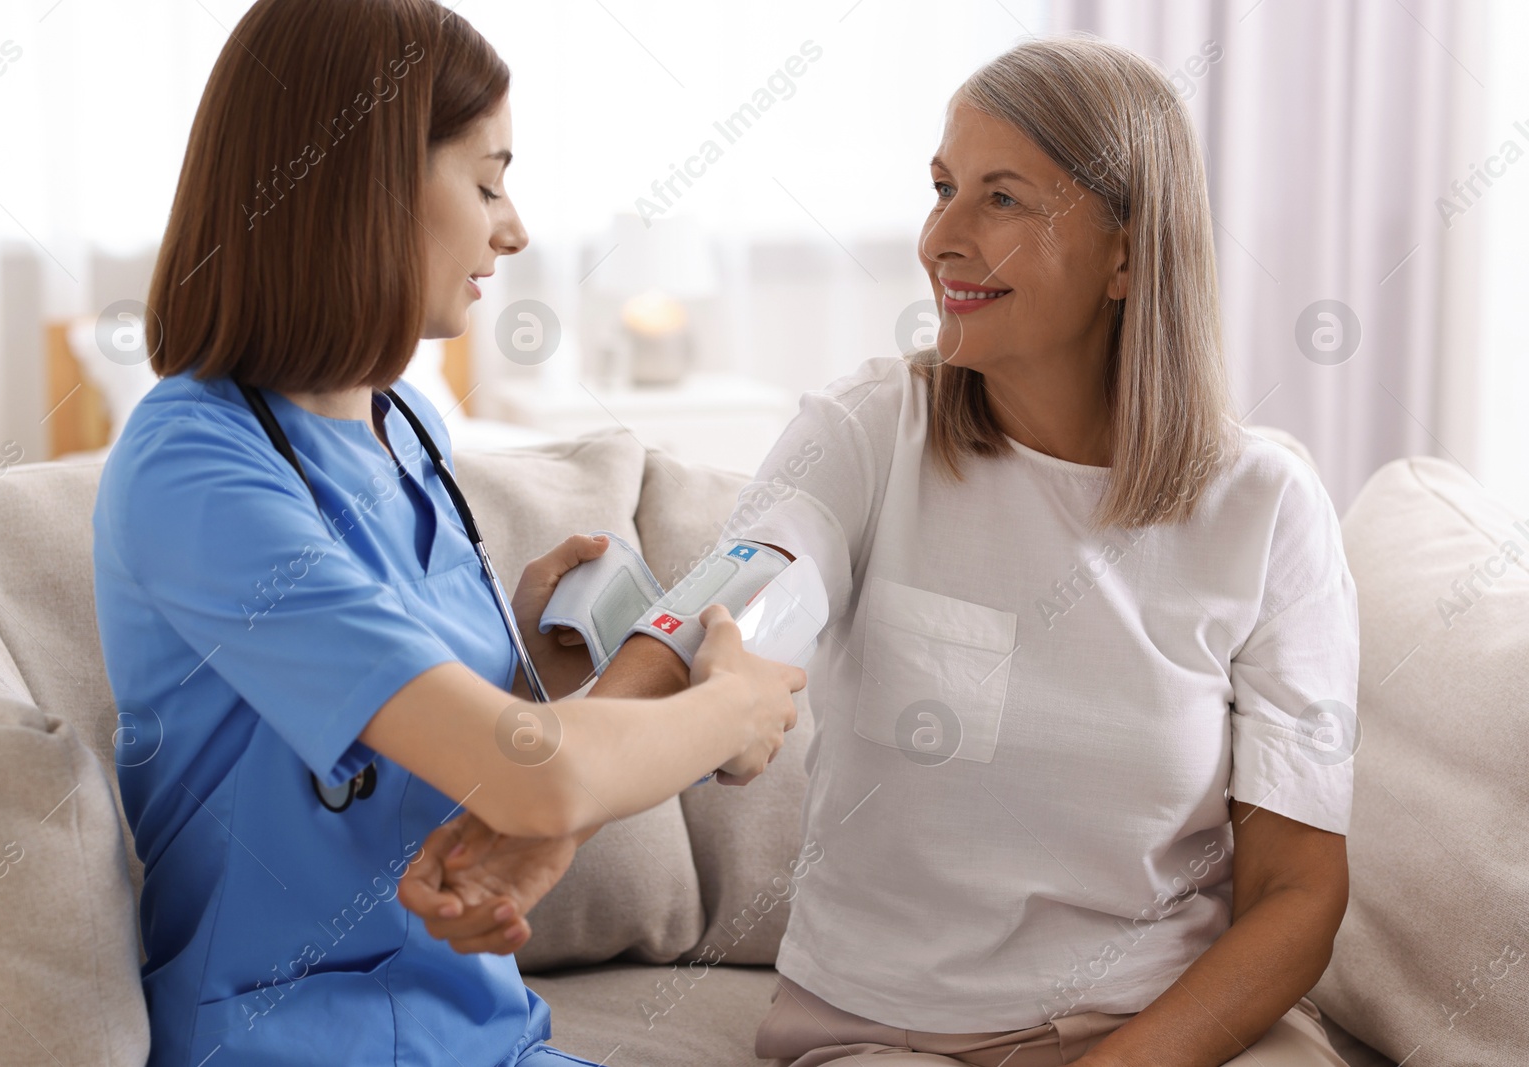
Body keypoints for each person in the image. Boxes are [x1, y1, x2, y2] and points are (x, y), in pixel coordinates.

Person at [402, 35, 1360, 1067]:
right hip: (898, 1037)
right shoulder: (869, 431)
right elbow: (731, 605)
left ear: (1127, 252)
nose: (939, 236)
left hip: (1168, 1032)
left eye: (1000, 198)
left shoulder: (1265, 506)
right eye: (942, 187)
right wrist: (563, 794)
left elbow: (1295, 887)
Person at [89, 2, 804, 1064]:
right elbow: (536, 779)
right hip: (284, 1042)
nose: (511, 229)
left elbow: (462, 761)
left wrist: (533, 661)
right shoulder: (192, 469)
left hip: (483, 1034)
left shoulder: (405, 421)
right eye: (486, 181)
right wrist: (731, 706)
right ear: (362, 187)